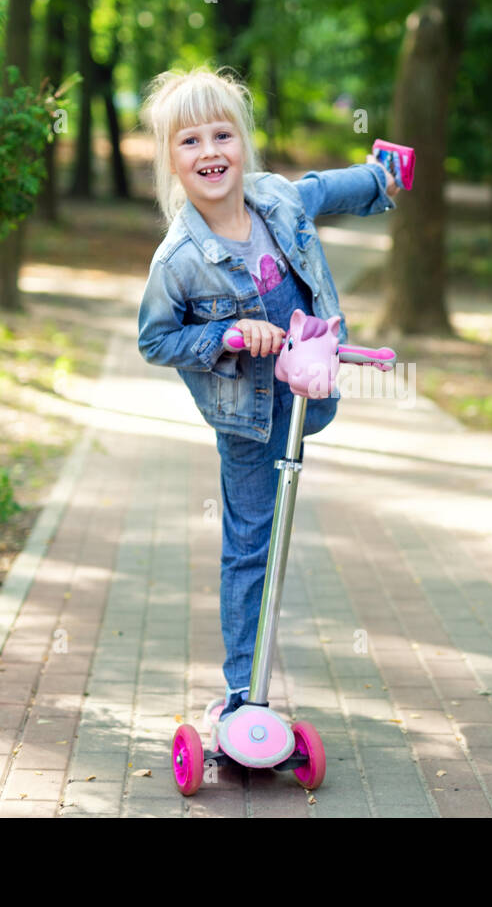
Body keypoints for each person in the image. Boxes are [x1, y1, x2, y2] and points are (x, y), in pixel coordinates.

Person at [137, 65, 399, 721]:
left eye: (221, 135)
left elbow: (321, 190)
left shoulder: (274, 200)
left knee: (272, 526)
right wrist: (224, 335)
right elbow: (155, 341)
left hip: (308, 395)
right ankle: (240, 698)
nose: (209, 152)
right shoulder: (179, 260)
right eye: (189, 141)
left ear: (243, 144)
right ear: (170, 159)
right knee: (252, 543)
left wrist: (380, 178)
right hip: (248, 420)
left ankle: (245, 689)